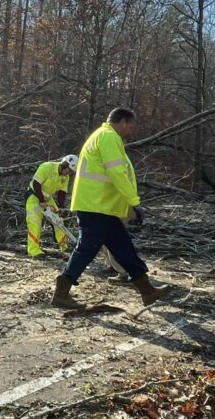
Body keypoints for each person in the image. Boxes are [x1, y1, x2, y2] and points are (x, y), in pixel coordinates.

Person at [52, 108, 172, 309]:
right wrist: (134, 202)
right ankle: (62, 290)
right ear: (123, 122)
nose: (131, 131)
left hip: (101, 206)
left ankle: (147, 290)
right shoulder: (108, 137)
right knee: (87, 248)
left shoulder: (101, 136)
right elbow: (117, 173)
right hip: (95, 205)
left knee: (123, 246)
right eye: (131, 126)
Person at [26, 155, 77, 257]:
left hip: (48, 199)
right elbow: (36, 183)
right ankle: (33, 251)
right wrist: (41, 201)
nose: (70, 173)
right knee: (34, 222)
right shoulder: (47, 167)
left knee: (58, 220)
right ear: (64, 165)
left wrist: (61, 207)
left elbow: (62, 192)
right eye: (69, 170)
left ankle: (63, 246)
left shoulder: (65, 177)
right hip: (34, 196)